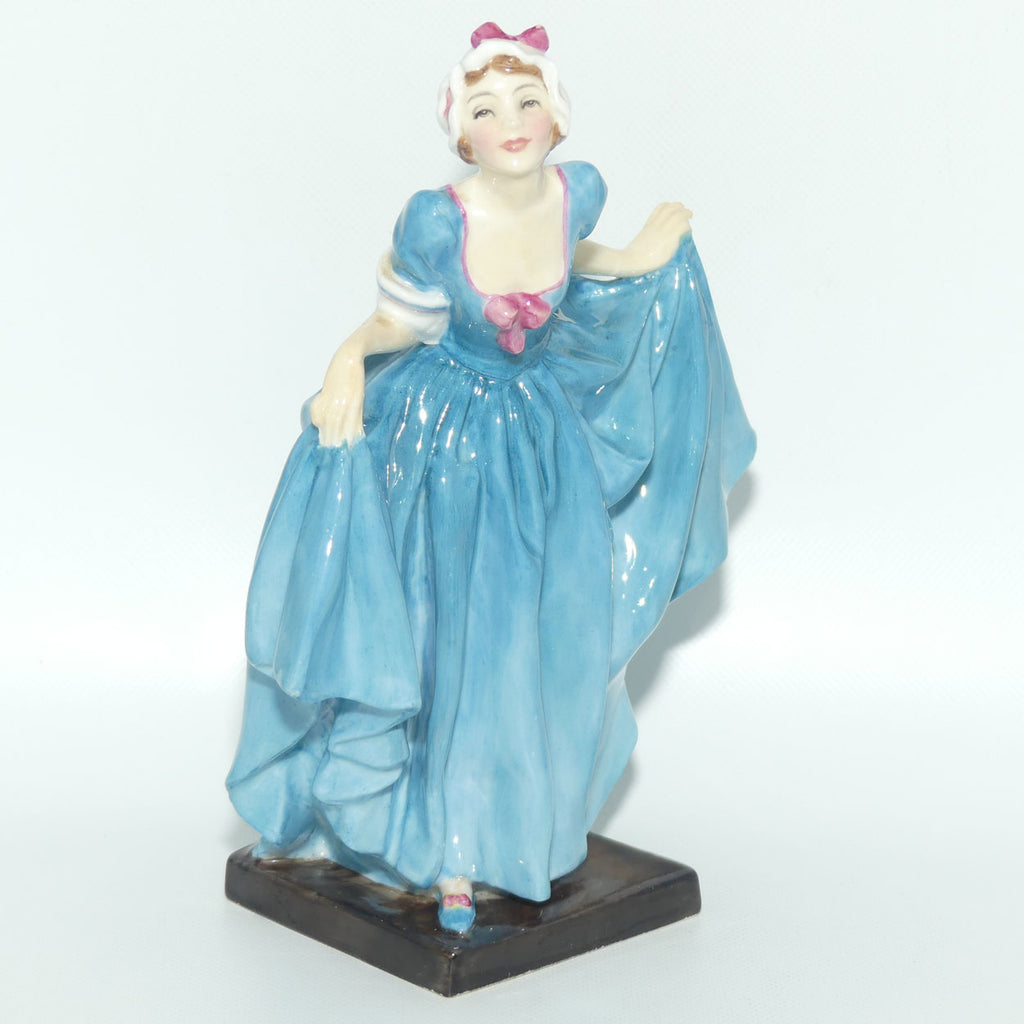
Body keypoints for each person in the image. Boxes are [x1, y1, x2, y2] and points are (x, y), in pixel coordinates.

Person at [227, 23, 755, 934]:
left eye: (526, 100)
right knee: (453, 639)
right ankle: (452, 848)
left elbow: (578, 265)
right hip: (447, 444)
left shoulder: (576, 194)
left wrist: (640, 257)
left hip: (539, 442)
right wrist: (348, 360)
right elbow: (400, 320)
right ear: (461, 135)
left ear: (556, 117)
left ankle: (518, 826)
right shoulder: (438, 222)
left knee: (537, 636)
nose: (509, 120)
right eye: (484, 108)